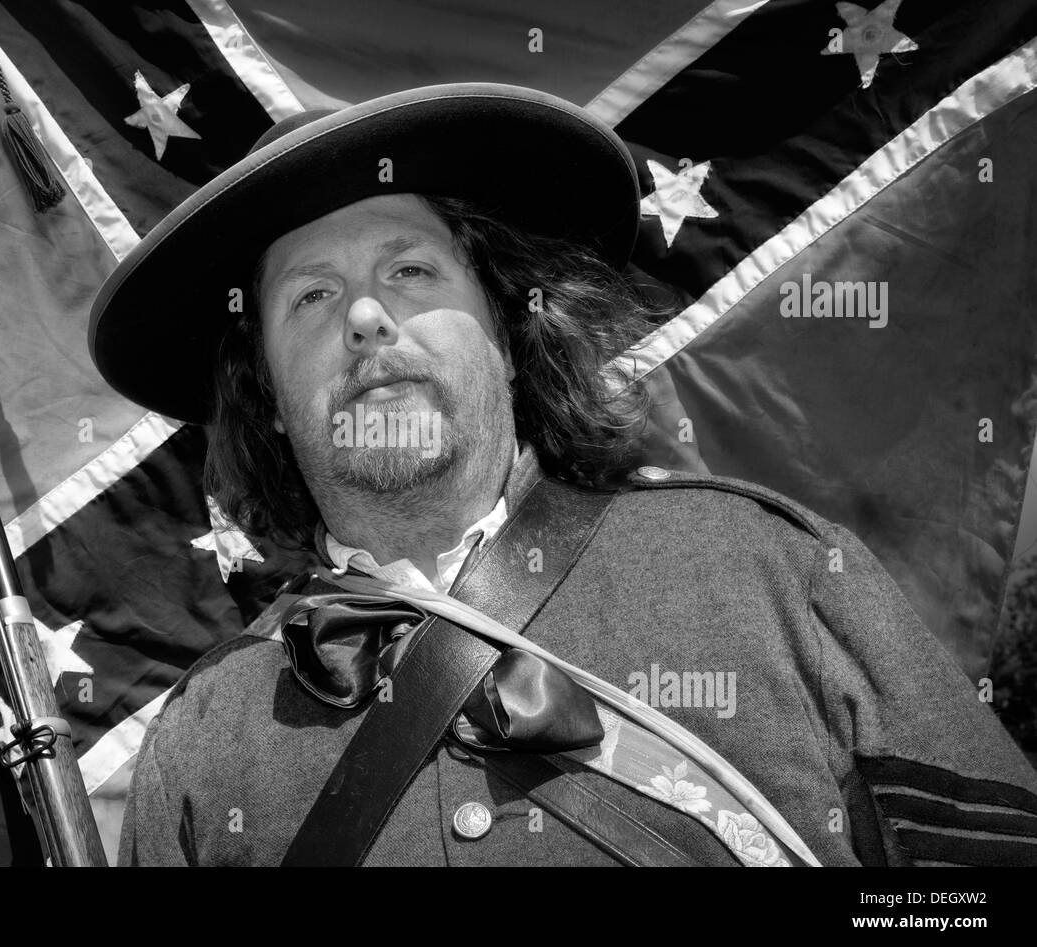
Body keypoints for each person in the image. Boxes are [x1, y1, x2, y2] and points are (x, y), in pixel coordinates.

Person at [88, 83, 1037, 866]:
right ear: (270, 396)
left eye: (412, 271)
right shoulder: (206, 736)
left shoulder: (775, 573)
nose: (368, 318)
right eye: (312, 296)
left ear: (508, 334)